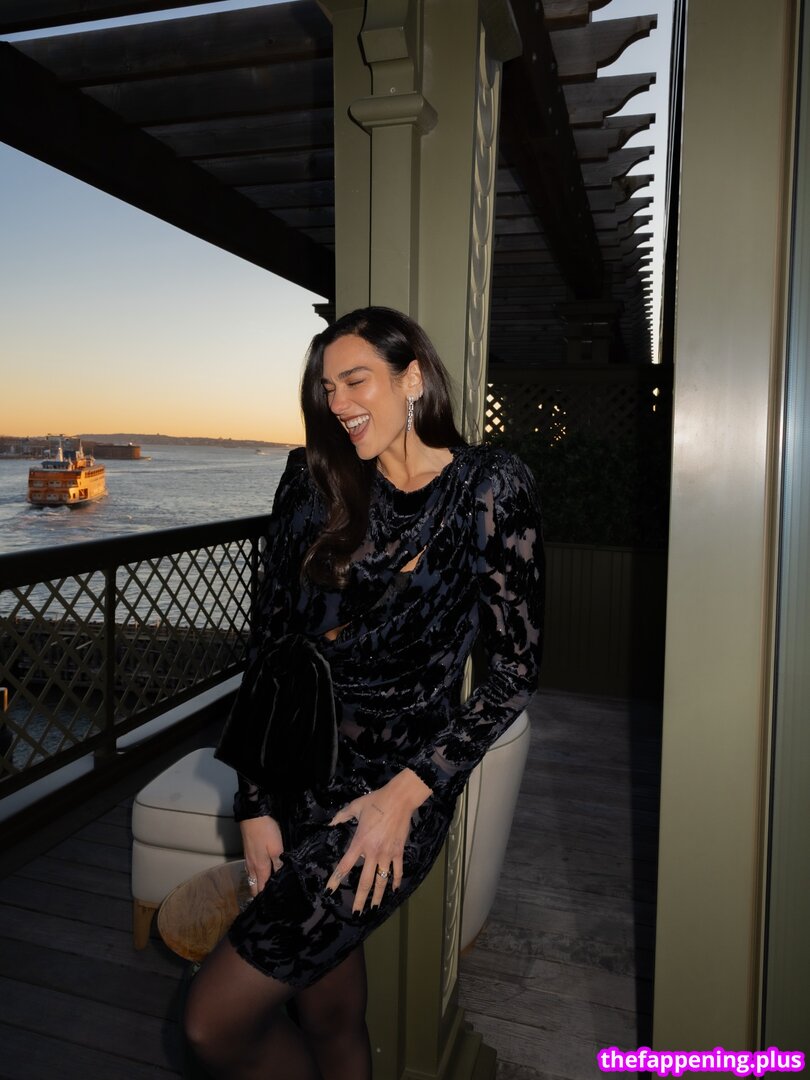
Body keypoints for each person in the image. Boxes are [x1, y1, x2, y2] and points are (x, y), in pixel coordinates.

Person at [184, 306, 544, 1079]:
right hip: (297, 777)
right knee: (327, 1007)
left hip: (397, 795)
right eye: (328, 388)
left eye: (356, 381)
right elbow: (271, 648)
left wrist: (404, 797)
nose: (339, 403)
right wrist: (254, 803)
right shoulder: (312, 480)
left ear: (412, 379)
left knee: (211, 1026)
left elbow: (515, 672)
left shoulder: (489, 487)